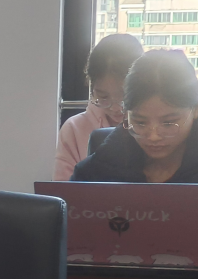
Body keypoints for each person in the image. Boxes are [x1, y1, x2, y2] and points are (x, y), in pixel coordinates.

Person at [72, 50, 198, 183]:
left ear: (197, 108)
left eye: (168, 123)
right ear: (126, 114)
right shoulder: (96, 170)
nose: (153, 137)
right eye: (140, 122)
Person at [54, 34, 143, 180]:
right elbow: (64, 190)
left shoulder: (154, 129)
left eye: (123, 97)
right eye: (103, 97)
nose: (115, 108)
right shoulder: (74, 129)